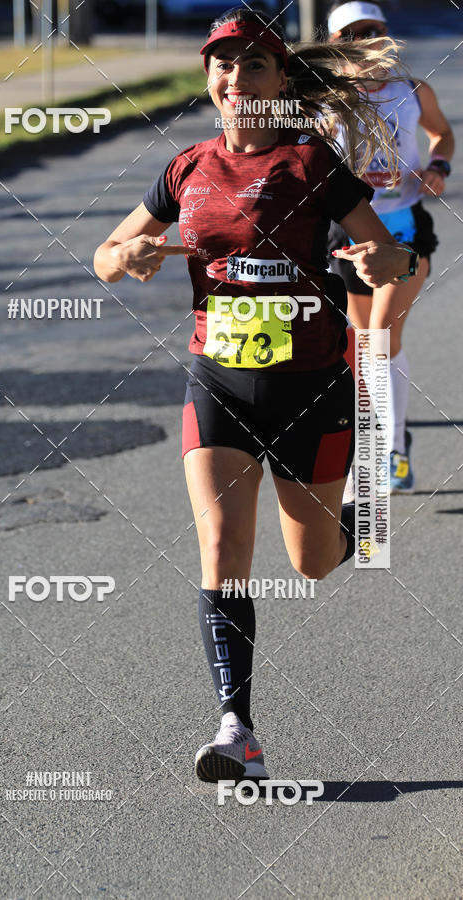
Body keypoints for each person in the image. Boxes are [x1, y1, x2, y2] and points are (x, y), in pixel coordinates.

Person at [94, 6, 419, 783]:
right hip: (218, 387)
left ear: (280, 82)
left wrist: (385, 265)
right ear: (210, 79)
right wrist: (128, 252)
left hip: (311, 390)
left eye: (255, 65)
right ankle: (236, 727)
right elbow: (105, 254)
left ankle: (354, 519)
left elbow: (388, 251)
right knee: (223, 552)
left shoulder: (312, 166)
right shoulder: (185, 168)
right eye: (223, 64)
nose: (237, 78)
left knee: (311, 563)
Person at [326, 1, 454, 493]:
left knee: (380, 336)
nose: (363, 41)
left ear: (386, 36)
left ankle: (393, 451)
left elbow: (441, 133)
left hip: (403, 230)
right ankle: (375, 441)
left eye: (372, 31)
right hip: (345, 235)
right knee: (360, 349)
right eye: (350, 34)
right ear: (335, 45)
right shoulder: (324, 99)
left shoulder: (414, 91)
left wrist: (438, 166)